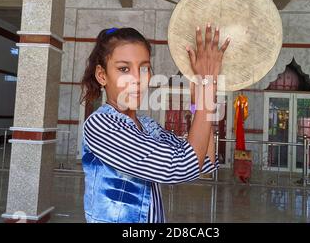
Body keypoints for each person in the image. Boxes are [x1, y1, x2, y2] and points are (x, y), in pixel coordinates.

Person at [80, 25, 230, 223]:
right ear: (102, 75)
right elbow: (181, 167)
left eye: (144, 68)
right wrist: (208, 87)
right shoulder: (101, 125)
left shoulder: (147, 125)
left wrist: (198, 104)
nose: (137, 79)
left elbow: (204, 163)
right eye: (124, 69)